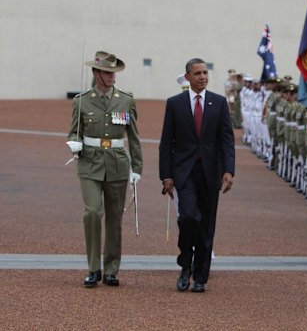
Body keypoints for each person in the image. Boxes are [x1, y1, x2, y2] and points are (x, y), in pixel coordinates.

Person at [67, 50, 143, 288]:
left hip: (118, 163)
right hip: (89, 163)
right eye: (107, 72)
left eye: (114, 73)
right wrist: (74, 143)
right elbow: (73, 131)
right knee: (92, 212)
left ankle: (111, 269)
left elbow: (134, 137)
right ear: (95, 73)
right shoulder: (81, 101)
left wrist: (137, 167)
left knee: (114, 217)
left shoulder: (126, 100)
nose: (112, 77)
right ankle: (93, 268)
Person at [159, 57, 235, 293]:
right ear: (188, 77)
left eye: (205, 73)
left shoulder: (219, 103)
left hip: (211, 173)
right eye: (198, 73)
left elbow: (227, 140)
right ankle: (185, 265)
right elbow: (166, 143)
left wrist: (229, 170)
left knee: (206, 226)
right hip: (185, 172)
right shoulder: (175, 104)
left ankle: (200, 275)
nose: (203, 77)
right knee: (189, 217)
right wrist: (166, 176)